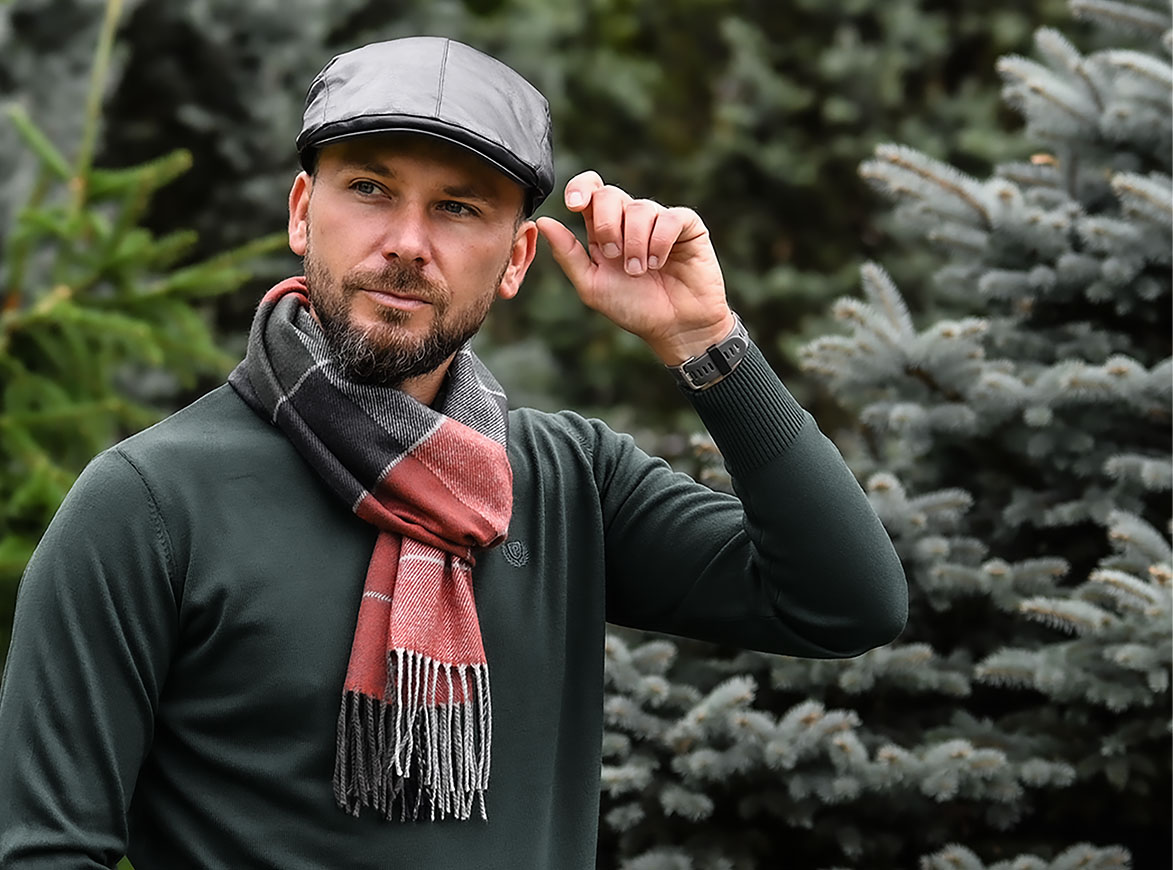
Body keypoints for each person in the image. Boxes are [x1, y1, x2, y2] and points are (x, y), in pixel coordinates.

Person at [0, 36, 907, 870]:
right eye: (369, 189)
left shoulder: (568, 482)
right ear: (303, 212)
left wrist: (704, 340)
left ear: (515, 260)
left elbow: (846, 604)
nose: (406, 243)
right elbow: (47, 852)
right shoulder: (151, 504)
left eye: (457, 208)